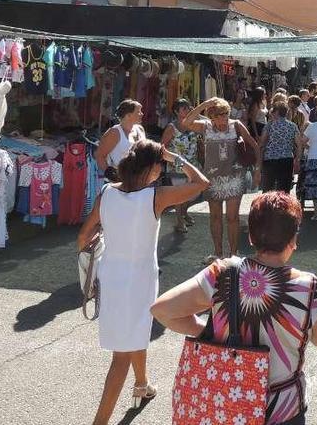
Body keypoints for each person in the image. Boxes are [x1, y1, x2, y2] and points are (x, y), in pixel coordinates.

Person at [151, 192, 317, 425]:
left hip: (227, 406)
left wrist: (206, 331)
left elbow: (162, 310)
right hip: (283, 410)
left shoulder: (223, 274)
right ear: (293, 240)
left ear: (251, 237)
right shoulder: (308, 287)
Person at [78, 140, 210, 425]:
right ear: (152, 167)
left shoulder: (106, 193)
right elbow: (201, 183)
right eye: (160, 165)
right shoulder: (155, 196)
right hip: (138, 279)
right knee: (121, 356)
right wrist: (175, 157)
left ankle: (142, 384)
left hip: (111, 275)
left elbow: (82, 239)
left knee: (135, 331)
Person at [183, 97, 261, 258]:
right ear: (212, 116)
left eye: (225, 114)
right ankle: (218, 253)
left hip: (235, 177)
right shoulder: (206, 127)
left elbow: (254, 146)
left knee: (232, 217)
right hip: (212, 178)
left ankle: (233, 253)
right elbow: (186, 122)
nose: (223, 118)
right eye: (219, 115)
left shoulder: (236, 125)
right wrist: (204, 104)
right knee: (215, 217)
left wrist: (257, 170)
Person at [160, 99, 201, 233]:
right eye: (183, 109)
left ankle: (184, 212)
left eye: (188, 108)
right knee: (179, 194)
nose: (187, 110)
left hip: (192, 164)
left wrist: (197, 113)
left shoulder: (194, 124)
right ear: (176, 112)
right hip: (176, 166)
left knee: (191, 193)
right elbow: (162, 146)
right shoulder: (172, 127)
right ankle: (179, 220)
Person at [95, 99, 146, 181]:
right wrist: (111, 174)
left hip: (138, 179)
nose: (142, 114)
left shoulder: (140, 129)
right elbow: (99, 155)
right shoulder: (114, 132)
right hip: (120, 179)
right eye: (138, 112)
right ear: (128, 115)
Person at [258, 101, 301, 193]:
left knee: (268, 188)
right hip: (287, 159)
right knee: (284, 189)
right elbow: (299, 144)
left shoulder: (269, 125)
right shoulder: (292, 126)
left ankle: (268, 207)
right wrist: (297, 160)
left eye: (273, 111)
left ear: (277, 112)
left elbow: (262, 143)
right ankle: (283, 207)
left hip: (270, 159)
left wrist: (259, 161)